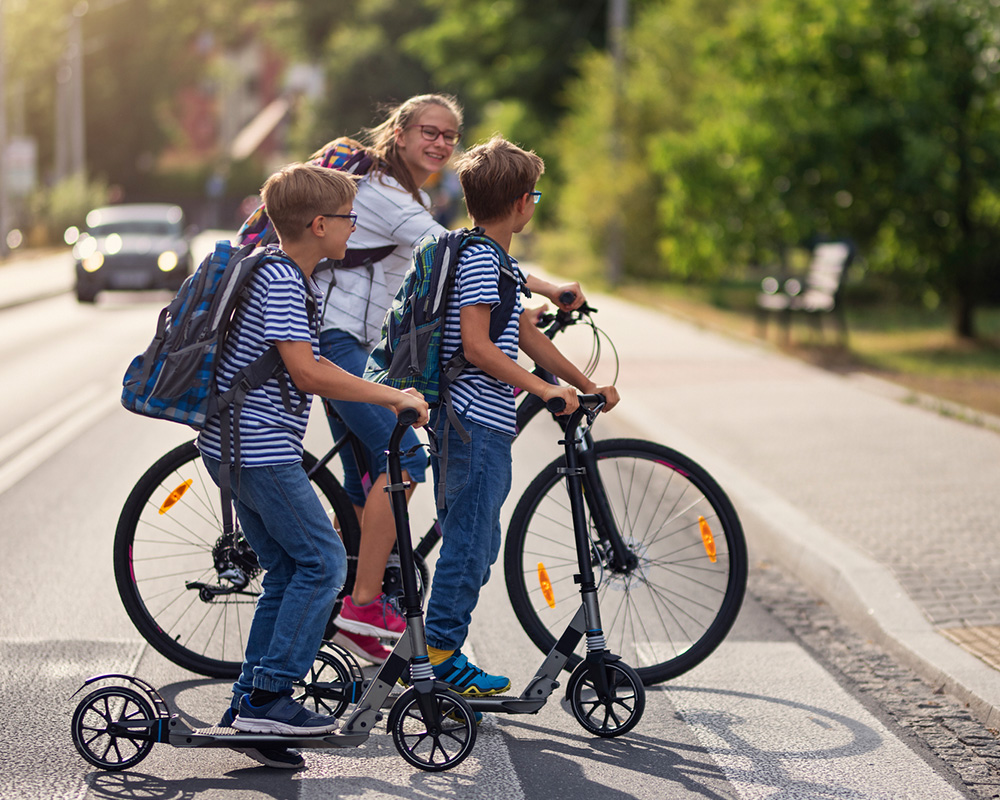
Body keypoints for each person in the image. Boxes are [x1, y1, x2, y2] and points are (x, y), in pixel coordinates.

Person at [307, 94, 588, 665]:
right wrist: (545, 287)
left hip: (373, 346)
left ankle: (363, 583)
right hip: (342, 344)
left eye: (449, 136)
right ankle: (364, 605)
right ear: (401, 132)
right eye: (429, 132)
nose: (439, 143)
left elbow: (467, 261)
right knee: (409, 463)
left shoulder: (416, 195)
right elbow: (450, 245)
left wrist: (536, 322)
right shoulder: (382, 191)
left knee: (388, 487)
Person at [198, 163, 428, 768]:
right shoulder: (281, 280)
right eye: (349, 218)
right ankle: (271, 697)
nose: (355, 227)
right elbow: (307, 371)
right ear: (320, 224)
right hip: (258, 449)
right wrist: (393, 397)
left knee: (286, 569)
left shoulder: (280, 273)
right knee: (324, 562)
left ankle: (251, 705)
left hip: (236, 447)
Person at [420, 136, 620, 694]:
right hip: (470, 422)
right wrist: (544, 391)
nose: (534, 203)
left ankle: (440, 651)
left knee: (480, 540)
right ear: (521, 204)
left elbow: (526, 333)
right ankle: (438, 657)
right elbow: (479, 347)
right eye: (534, 195)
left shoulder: (494, 258)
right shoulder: (483, 262)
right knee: (468, 540)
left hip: (484, 424)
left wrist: (583, 385)